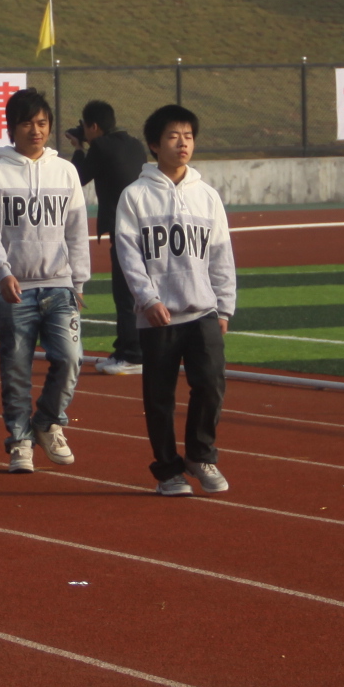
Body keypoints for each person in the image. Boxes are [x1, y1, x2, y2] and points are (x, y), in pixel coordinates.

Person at [113, 103, 237, 496]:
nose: (182, 143)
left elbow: (221, 253)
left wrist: (225, 306)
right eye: (172, 136)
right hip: (158, 316)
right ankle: (168, 470)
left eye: (188, 136)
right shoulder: (135, 196)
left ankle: (201, 456)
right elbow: (128, 254)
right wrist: (147, 298)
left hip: (202, 310)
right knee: (160, 397)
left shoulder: (207, 196)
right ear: (154, 144)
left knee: (211, 386)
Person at [0, 87, 89, 474]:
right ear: (12, 128)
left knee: (71, 358)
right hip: (16, 287)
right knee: (16, 367)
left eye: (42, 123)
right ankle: (19, 440)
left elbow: (76, 228)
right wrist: (1, 273)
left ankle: (47, 421)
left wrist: (80, 281)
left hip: (59, 284)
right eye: (27, 123)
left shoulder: (66, 171)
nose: (36, 130)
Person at [70, 100, 147, 375]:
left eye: (85, 127)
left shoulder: (100, 147)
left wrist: (79, 149)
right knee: (141, 290)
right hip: (146, 227)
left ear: (93, 126)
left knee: (125, 294)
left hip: (123, 230)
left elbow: (76, 177)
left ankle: (131, 354)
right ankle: (133, 349)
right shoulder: (135, 144)